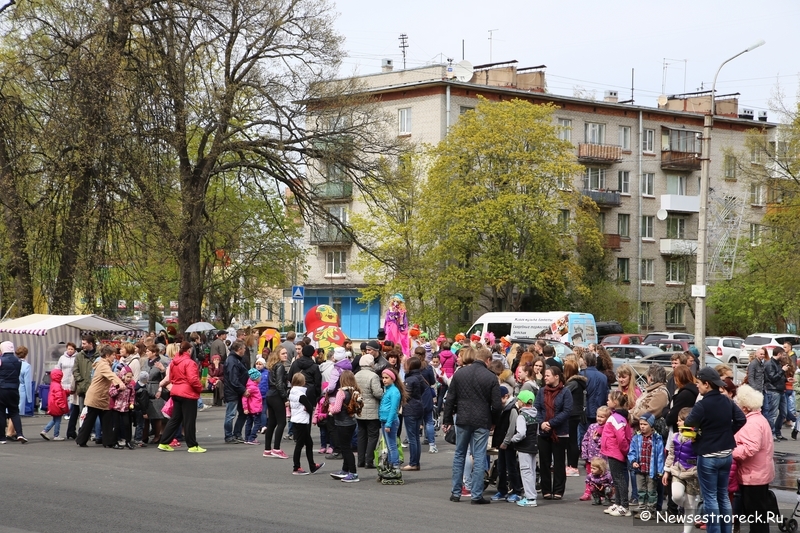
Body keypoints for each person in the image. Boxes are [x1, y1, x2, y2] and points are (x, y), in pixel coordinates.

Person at [684, 367, 747, 533]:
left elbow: (689, 421)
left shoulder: (702, 405)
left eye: (698, 383)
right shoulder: (727, 400)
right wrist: (727, 433)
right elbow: (741, 419)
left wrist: (705, 434)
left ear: (706, 384)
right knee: (723, 495)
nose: (697, 386)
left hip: (708, 455)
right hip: (726, 453)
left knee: (711, 498)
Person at [443, 346, 502, 503]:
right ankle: (476, 495)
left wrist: (447, 419)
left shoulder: (460, 373)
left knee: (460, 454)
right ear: (488, 360)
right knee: (479, 455)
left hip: (462, 418)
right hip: (482, 420)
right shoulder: (490, 377)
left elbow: (450, 398)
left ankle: (456, 492)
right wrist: (494, 422)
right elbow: (496, 405)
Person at [731, 384, 774, 533]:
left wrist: (730, 450)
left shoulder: (752, 423)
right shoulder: (759, 419)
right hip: (758, 473)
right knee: (758, 515)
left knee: (756, 516)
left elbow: (750, 448)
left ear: (745, 407)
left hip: (753, 475)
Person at [157, 342, 205, 453]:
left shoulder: (174, 362)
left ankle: (164, 442)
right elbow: (193, 379)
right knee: (189, 420)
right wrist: (199, 388)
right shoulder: (190, 363)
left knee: (175, 418)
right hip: (188, 393)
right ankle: (192, 445)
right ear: (189, 350)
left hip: (176, 391)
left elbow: (171, 378)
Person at [534, 365, 572, 500]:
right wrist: (542, 423)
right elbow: (537, 408)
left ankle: (558, 490)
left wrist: (551, 423)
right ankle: (546, 490)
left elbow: (567, 411)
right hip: (543, 432)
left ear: (556, 377)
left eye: (548, 375)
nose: (545, 377)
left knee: (559, 462)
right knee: (544, 462)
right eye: (545, 376)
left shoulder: (565, 392)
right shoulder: (542, 391)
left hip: (560, 432)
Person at [76, 347, 125, 447]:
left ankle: (83, 440)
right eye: (112, 355)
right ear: (107, 355)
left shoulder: (103, 363)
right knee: (98, 419)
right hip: (97, 396)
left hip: (99, 396)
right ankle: (108, 442)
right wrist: (120, 383)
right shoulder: (103, 365)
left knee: (99, 419)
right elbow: (111, 375)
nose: (114, 357)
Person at [663, 407, 700, 533]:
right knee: (676, 496)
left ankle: (687, 531)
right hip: (677, 471)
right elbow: (671, 454)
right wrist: (667, 470)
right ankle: (693, 508)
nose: (677, 423)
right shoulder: (675, 436)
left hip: (692, 473)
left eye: (680, 420)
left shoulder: (697, 437)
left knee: (690, 505)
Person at [601, 390, 633, 517]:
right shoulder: (616, 417)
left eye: (609, 399)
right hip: (613, 451)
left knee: (619, 479)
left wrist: (625, 451)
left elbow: (621, 438)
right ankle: (618, 503)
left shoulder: (616, 418)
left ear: (615, 402)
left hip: (616, 452)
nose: (607, 401)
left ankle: (624, 506)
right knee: (616, 478)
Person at [327, 370, 362, 483]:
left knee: (345, 448)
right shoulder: (354, 391)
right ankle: (345, 470)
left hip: (342, 423)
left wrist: (330, 409)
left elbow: (337, 409)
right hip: (351, 422)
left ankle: (353, 472)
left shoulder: (341, 392)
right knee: (347, 446)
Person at [628, 413, 665, 517]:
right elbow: (632, 451)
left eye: (645, 424)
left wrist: (660, 471)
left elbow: (661, 455)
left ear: (651, 425)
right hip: (640, 470)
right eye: (641, 424)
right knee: (641, 490)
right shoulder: (637, 438)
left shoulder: (657, 438)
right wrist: (633, 461)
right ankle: (642, 507)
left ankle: (651, 509)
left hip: (652, 470)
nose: (642, 426)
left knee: (651, 491)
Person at [491, 385, 524, 502]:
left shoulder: (512, 409)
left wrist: (506, 442)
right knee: (501, 467)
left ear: (506, 396)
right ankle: (502, 490)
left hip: (509, 444)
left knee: (511, 467)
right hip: (502, 443)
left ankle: (517, 491)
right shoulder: (503, 408)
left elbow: (511, 428)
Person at [289, 373, 324, 475]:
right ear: (302, 382)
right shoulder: (301, 395)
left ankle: (312, 466)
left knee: (309, 443)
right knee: (300, 444)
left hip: (296, 419)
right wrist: (308, 408)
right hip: (302, 421)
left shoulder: (292, 392)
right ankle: (296, 467)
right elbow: (309, 407)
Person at [509, 389, 539, 508]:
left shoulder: (522, 416)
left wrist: (513, 439)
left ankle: (530, 497)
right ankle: (532, 494)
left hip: (524, 447)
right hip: (534, 445)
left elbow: (521, 433)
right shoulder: (535, 414)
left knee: (525, 471)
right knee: (531, 471)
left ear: (522, 402)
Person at [354, 353, 384, 469]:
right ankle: (369, 461)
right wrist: (383, 393)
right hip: (372, 409)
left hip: (360, 408)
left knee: (361, 435)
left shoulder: (357, 375)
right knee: (373, 435)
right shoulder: (373, 376)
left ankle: (360, 460)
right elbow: (377, 393)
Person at [378, 367, 406, 484]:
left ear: (392, 379)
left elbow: (393, 410)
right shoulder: (387, 390)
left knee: (392, 446)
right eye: (383, 378)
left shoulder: (394, 392)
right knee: (389, 447)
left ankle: (395, 468)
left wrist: (388, 424)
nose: (384, 380)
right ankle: (390, 467)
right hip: (384, 421)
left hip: (391, 422)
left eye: (386, 378)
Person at [579, 405, 611, 500]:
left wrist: (597, 439)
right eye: (598, 416)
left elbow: (607, 442)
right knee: (590, 475)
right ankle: (588, 492)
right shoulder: (592, 426)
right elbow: (585, 439)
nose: (599, 419)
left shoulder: (607, 428)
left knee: (602, 476)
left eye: (602, 417)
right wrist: (584, 452)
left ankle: (602, 493)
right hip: (590, 457)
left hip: (601, 458)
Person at [263, 348, 289, 458]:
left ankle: (267, 449)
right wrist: (285, 398)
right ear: (277, 355)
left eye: (286, 353)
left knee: (272, 423)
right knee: (282, 422)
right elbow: (279, 384)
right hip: (276, 395)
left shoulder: (272, 366)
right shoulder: (280, 366)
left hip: (270, 394)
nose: (285, 355)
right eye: (283, 353)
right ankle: (276, 449)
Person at [564, 359, 588, 477]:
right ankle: (571, 465)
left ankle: (572, 466)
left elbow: (563, 394)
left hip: (572, 413)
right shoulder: (578, 382)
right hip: (576, 413)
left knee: (571, 441)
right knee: (571, 441)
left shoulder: (572, 383)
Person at [223, 340, 249, 444]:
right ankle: (229, 436)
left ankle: (237, 433)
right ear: (239, 349)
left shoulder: (237, 359)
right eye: (244, 348)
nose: (245, 350)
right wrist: (243, 390)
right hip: (233, 391)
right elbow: (233, 379)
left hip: (237, 391)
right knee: (231, 414)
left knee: (243, 413)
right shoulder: (232, 361)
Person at [142, 345, 168, 444]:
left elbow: (165, 377)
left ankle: (157, 436)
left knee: (157, 414)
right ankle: (144, 436)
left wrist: (162, 370)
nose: (147, 352)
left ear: (154, 353)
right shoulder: (146, 362)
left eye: (148, 351)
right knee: (146, 412)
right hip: (146, 387)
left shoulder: (161, 362)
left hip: (157, 387)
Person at [108, 365, 136, 449]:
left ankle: (128, 441)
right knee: (116, 425)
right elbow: (111, 393)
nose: (129, 379)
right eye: (127, 377)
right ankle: (114, 442)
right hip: (116, 407)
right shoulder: (116, 383)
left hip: (125, 408)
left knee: (127, 424)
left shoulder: (130, 386)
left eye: (130, 377)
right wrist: (119, 389)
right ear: (123, 375)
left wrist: (132, 403)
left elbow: (132, 396)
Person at [764, 347, 788, 440]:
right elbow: (772, 378)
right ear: (778, 354)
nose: (784, 356)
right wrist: (783, 370)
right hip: (773, 390)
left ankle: (777, 432)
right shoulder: (770, 364)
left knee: (783, 413)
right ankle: (771, 433)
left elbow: (778, 377)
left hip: (780, 390)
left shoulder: (778, 363)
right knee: (773, 413)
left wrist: (786, 379)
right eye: (783, 354)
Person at [666, 365, 699, 433]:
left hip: (680, 431)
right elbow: (666, 408)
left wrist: (669, 413)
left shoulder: (684, 394)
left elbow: (671, 417)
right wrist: (667, 411)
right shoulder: (692, 390)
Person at [40, 368, 69, 441]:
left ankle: (45, 431)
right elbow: (59, 397)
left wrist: (66, 392)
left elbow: (58, 393)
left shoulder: (53, 384)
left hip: (53, 405)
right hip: (57, 406)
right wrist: (63, 406)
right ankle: (56, 435)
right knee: (58, 421)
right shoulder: (58, 385)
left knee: (54, 420)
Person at [242, 367, 263, 445]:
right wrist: (245, 408)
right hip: (255, 409)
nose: (261, 378)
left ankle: (247, 438)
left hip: (251, 409)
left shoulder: (251, 386)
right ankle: (252, 438)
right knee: (257, 424)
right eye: (259, 377)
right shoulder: (252, 388)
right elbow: (244, 398)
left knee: (249, 423)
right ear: (256, 378)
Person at [16, 346, 33, 417]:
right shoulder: (27, 366)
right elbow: (27, 383)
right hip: (21, 389)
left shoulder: (14, 363)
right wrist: (29, 398)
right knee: (18, 412)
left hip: (13, 387)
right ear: (26, 354)